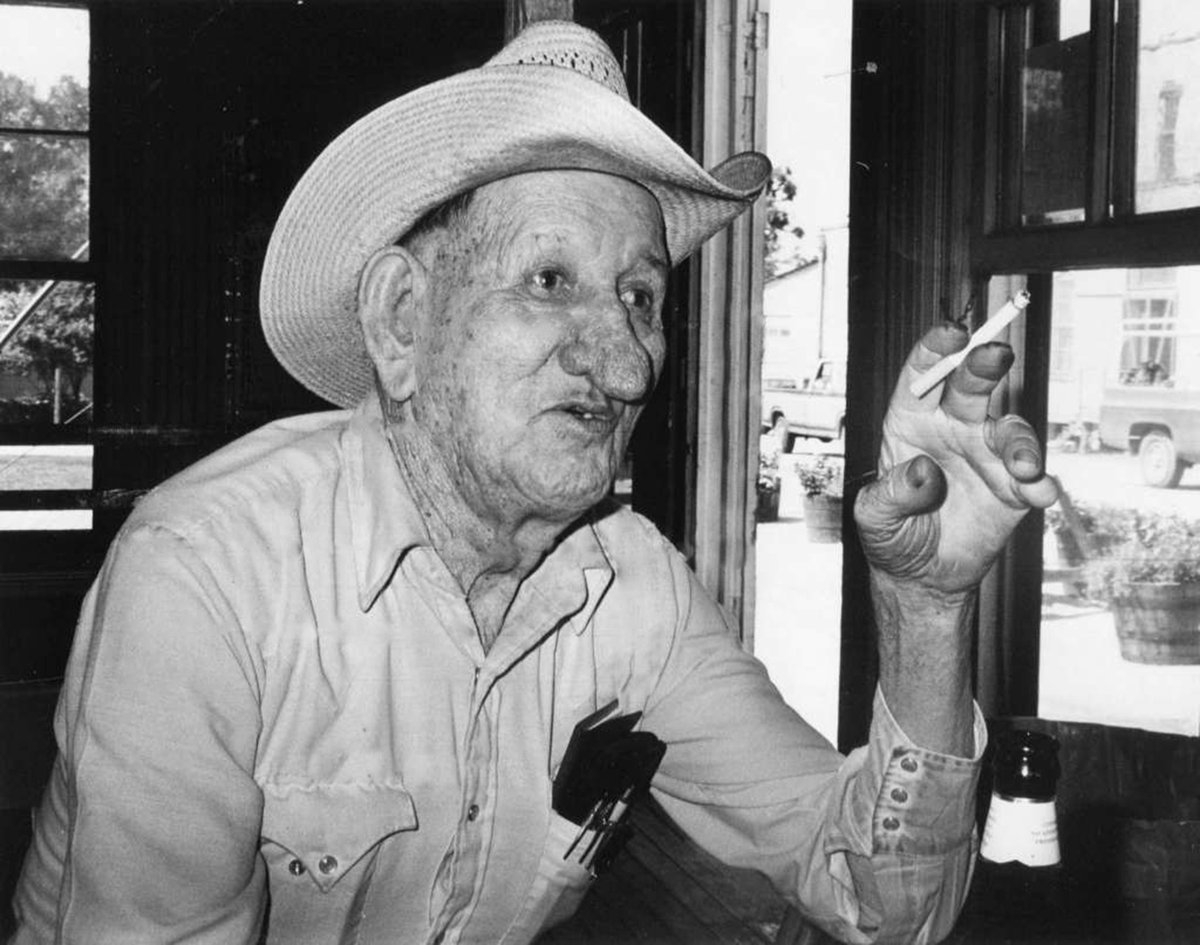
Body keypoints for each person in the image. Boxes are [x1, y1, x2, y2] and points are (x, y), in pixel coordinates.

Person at [11, 21, 1058, 945]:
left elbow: (882, 904)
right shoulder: (207, 578)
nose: (627, 361)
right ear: (398, 322)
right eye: (550, 280)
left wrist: (925, 609)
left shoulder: (632, 591)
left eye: (642, 295)